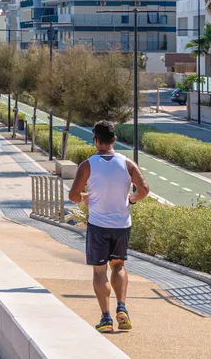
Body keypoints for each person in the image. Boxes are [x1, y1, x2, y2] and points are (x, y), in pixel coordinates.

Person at [69, 120, 150, 333]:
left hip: (98, 224)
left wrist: (85, 198)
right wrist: (132, 200)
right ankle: (122, 307)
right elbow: (144, 189)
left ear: (95, 140)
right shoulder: (127, 163)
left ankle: (106, 317)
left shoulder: (87, 165)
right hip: (122, 224)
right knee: (119, 265)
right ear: (114, 139)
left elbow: (73, 195)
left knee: (99, 270)